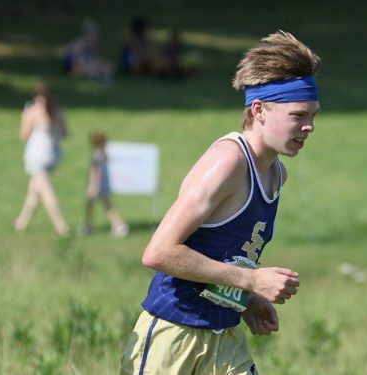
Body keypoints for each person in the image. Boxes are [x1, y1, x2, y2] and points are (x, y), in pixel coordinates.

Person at [120, 30, 320, 374]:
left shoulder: (276, 174)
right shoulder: (227, 163)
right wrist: (252, 282)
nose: (309, 127)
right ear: (258, 110)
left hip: (225, 338)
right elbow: (159, 253)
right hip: (174, 334)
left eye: (313, 115)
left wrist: (246, 303)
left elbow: (218, 259)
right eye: (298, 115)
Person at [13, 81, 69, 236]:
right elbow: (65, 133)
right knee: (35, 191)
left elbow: (24, 134)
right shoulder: (57, 110)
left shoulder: (33, 111)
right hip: (54, 153)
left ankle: (61, 225)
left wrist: (25, 117)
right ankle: (21, 222)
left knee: (45, 191)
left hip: (38, 154)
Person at [79, 131, 129, 238]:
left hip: (97, 185)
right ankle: (117, 224)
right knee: (107, 205)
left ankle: (88, 226)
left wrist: (94, 186)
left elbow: (96, 171)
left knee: (93, 205)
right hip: (105, 184)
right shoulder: (104, 154)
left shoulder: (96, 155)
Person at [62, 18, 113, 83]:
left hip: (87, 66)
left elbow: (94, 59)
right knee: (93, 67)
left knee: (107, 65)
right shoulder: (78, 45)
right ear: (86, 34)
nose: (96, 38)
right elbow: (73, 67)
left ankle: (100, 77)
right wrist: (92, 65)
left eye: (96, 35)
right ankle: (97, 77)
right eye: (94, 35)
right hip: (76, 68)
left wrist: (100, 63)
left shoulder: (91, 46)